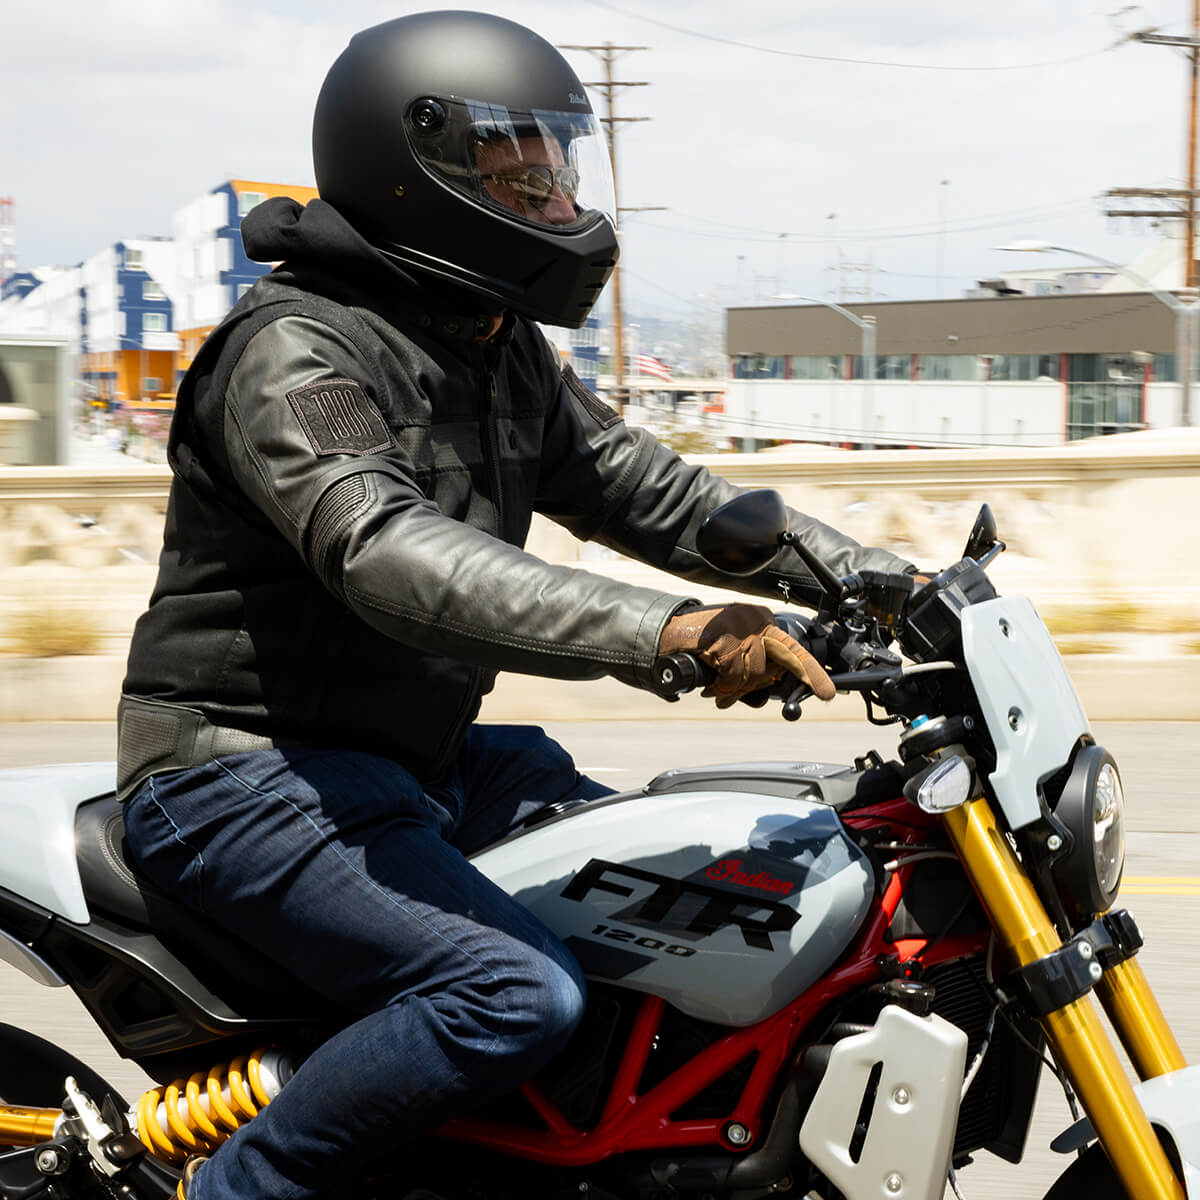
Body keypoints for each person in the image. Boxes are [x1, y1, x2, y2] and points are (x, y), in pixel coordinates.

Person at [116, 12, 916, 1199]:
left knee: (701, 905)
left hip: (421, 764)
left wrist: (879, 579)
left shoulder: (494, 347)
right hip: (244, 778)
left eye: (558, 170)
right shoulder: (295, 354)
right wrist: (672, 633)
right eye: (522, 176)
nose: (557, 201)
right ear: (415, 170)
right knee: (511, 991)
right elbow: (388, 554)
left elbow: (655, 492)